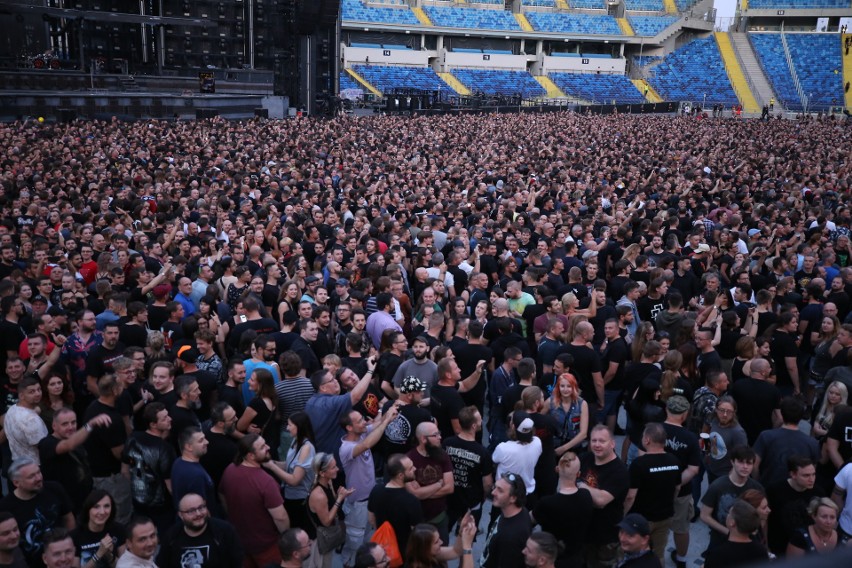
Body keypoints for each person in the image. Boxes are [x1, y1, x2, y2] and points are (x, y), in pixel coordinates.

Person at [338, 405, 399, 566]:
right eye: (360, 421)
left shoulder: (361, 433)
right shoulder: (346, 448)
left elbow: (375, 425)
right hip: (357, 504)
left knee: (367, 537)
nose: (364, 422)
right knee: (355, 540)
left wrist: (387, 410)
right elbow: (367, 445)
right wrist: (386, 421)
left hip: (370, 500)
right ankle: (349, 563)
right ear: (349, 428)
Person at [220, 434, 289, 567]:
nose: (268, 447)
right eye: (263, 447)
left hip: (240, 541)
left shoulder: (229, 470)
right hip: (266, 545)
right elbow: (280, 517)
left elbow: (222, 494)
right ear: (250, 456)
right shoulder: (266, 482)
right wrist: (285, 535)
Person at [623, 423, 682, 564]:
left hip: (641, 521)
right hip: (665, 517)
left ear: (647, 440)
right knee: (658, 554)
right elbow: (678, 488)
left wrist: (623, 515)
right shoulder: (674, 461)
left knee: (635, 557)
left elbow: (631, 496)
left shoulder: (638, 464)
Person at [0, 458, 75, 567]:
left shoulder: (54, 489)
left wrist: (70, 548)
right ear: (16, 482)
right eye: (31, 476)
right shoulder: (5, 506)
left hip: (61, 561)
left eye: (38, 472)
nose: (39, 478)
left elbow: (68, 518)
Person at [38, 407, 112, 510]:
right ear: (54, 426)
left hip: (83, 500)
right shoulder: (47, 443)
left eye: (73, 422)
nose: (70, 427)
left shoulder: (77, 439)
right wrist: (90, 424)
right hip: (63, 505)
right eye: (65, 424)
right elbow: (68, 445)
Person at [577, 425, 630, 568]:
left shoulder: (619, 471)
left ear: (612, 443)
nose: (597, 445)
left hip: (606, 537)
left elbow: (601, 501)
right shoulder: (584, 459)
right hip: (582, 532)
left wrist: (580, 484)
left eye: (602, 441)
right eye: (593, 440)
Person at [531, 452, 593, 568]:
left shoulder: (547, 503)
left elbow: (530, 519)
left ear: (557, 469)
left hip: (553, 561)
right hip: (577, 561)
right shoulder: (586, 496)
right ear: (578, 474)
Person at [122, 402, 176, 532]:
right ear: (153, 424)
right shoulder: (165, 449)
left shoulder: (133, 438)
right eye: (164, 418)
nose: (170, 419)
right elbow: (170, 485)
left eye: (168, 415)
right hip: (162, 509)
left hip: (138, 504)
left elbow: (124, 471)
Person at [261, 411, 317, 537]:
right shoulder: (295, 441)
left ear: (299, 427)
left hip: (300, 500)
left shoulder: (306, 448)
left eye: (290, 425)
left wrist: (271, 467)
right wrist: (272, 462)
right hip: (290, 496)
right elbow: (289, 465)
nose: (287, 428)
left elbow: (294, 479)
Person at [700, 445, 764, 552]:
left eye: (749, 463)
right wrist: (729, 532)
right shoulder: (717, 486)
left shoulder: (757, 488)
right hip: (720, 542)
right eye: (740, 462)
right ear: (732, 462)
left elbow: (762, 517)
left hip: (747, 542)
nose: (745, 466)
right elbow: (704, 515)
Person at [157, 493, 243, 568]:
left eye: (201, 507)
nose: (198, 514)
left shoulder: (224, 531)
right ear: (181, 515)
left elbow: (237, 562)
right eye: (191, 511)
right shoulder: (171, 536)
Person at [442, 405, 493, 529]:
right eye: (480, 419)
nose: (482, 421)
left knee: (443, 534)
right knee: (467, 539)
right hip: (472, 502)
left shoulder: (447, 443)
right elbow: (487, 483)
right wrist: (483, 498)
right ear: (474, 426)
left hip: (449, 499)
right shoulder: (482, 452)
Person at [405, 421, 455, 543]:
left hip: (439, 518)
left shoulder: (442, 455)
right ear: (423, 439)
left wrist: (422, 492)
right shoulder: (409, 460)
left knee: (441, 554)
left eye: (439, 433)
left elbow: (449, 488)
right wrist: (439, 484)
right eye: (435, 435)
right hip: (417, 520)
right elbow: (414, 494)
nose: (440, 437)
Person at [753, 397, 820, 487]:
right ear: (801, 416)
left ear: (781, 413)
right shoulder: (812, 443)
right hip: (797, 494)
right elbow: (812, 472)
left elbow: (754, 464)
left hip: (768, 490)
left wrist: (758, 484)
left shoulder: (766, 436)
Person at [766, 456, 824, 556]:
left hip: (808, 549)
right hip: (779, 547)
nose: (812, 479)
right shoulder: (774, 491)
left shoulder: (818, 493)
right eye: (806, 475)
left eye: (813, 474)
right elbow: (765, 519)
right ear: (793, 474)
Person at [307, 452, 354, 568]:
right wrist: (340, 499)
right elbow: (326, 521)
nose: (337, 469)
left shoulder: (328, 482)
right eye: (333, 467)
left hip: (328, 534)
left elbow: (330, 503)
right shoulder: (318, 495)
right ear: (322, 473)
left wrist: (340, 495)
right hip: (319, 539)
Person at [480, 472, 532, 568]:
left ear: (513, 498)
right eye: (495, 487)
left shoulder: (511, 538)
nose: (493, 492)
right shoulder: (518, 511)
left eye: (500, 490)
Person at [703, 500, 769, 568]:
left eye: (729, 513)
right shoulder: (761, 551)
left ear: (732, 522)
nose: (727, 515)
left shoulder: (717, 555)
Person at [70, 489, 125, 568]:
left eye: (106, 506)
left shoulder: (118, 530)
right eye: (96, 507)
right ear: (88, 509)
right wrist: (99, 554)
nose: (102, 512)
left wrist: (109, 555)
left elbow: (125, 566)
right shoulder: (75, 536)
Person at [4, 375, 48, 463]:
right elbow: (44, 446)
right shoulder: (32, 420)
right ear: (21, 396)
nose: (38, 393)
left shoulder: (12, 409)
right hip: (35, 466)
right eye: (32, 392)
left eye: (39, 389)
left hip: (18, 463)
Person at [404, 517, 476, 568]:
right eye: (436, 542)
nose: (441, 542)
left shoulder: (424, 555)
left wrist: (461, 531)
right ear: (425, 547)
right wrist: (467, 546)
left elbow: (456, 551)